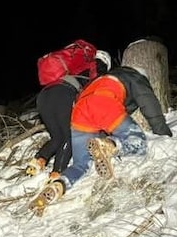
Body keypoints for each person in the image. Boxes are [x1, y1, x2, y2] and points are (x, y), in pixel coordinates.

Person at [53, 65, 173, 194]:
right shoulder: (135, 77)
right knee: (139, 142)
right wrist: (164, 134)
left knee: (81, 164)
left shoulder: (101, 79)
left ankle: (60, 185)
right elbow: (149, 104)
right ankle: (110, 146)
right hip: (103, 102)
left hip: (79, 111)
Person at [25, 48, 112, 183]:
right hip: (63, 94)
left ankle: (38, 161)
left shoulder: (76, 65)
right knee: (69, 137)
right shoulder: (97, 67)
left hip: (44, 96)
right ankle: (56, 173)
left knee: (57, 137)